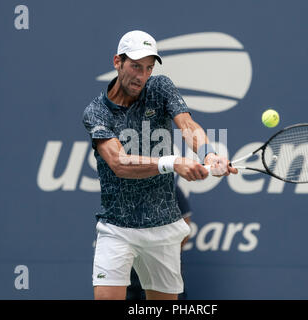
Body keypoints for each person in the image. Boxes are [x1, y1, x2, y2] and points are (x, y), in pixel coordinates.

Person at [82, 30, 237, 300]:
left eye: (149, 68)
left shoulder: (160, 87)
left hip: (163, 226)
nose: (142, 76)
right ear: (117, 61)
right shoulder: (97, 112)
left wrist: (209, 154)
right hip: (117, 226)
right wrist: (173, 162)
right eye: (135, 66)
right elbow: (119, 163)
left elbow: (187, 125)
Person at [126, 185, 192, 300]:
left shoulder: (169, 187)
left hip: (163, 262)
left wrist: (168, 253)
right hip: (130, 266)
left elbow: (185, 227)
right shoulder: (122, 186)